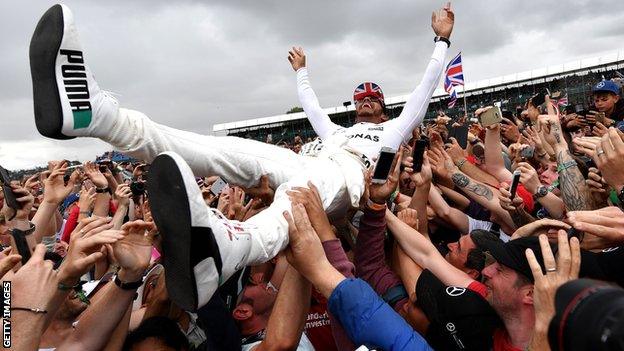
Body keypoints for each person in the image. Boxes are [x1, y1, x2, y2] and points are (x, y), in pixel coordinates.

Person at [28, 3, 454, 311]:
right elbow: (312, 108)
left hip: (352, 179)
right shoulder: (337, 130)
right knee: (231, 153)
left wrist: (441, 40)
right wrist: (303, 71)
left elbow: (422, 93)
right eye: (359, 100)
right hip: (316, 161)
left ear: (382, 107)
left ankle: (233, 246)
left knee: (297, 200)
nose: (364, 105)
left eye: (371, 101)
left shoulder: (392, 131)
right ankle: (98, 116)